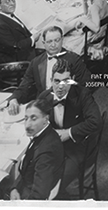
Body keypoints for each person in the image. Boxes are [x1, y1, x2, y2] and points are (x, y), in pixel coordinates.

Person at [36, 59, 102, 197]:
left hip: (75, 150)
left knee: (54, 183)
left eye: (65, 81)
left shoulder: (83, 94)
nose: (60, 87)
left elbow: (96, 121)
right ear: (51, 80)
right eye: (56, 81)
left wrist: (68, 133)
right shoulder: (44, 97)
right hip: (52, 149)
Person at [8, 26, 90, 112]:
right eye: (49, 41)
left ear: (62, 39)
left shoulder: (74, 60)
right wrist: (14, 99)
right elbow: (24, 85)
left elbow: (86, 85)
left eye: (57, 40)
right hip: (42, 107)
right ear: (44, 43)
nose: (53, 45)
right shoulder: (35, 62)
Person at [6, 97, 64, 200]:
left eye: (34, 118)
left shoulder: (46, 152)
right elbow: (27, 167)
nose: (27, 125)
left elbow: (39, 196)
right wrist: (15, 187)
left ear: (46, 119)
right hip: (28, 182)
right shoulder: (41, 133)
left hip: (32, 195)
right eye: (26, 118)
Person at [0, 0, 37, 64]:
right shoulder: (0, 25)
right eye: (7, 1)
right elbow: (15, 47)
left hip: (23, 53)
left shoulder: (7, 15)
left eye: (13, 0)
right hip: (16, 61)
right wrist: (33, 39)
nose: (12, 3)